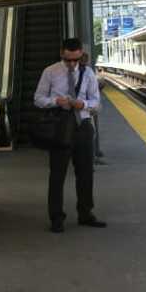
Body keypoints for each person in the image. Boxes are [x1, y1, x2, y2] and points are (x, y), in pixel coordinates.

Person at [34, 38, 107, 233]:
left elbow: (96, 103)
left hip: (82, 126)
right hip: (60, 127)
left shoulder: (88, 73)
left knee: (85, 174)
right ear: (62, 54)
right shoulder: (50, 72)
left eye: (76, 60)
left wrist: (82, 105)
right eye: (68, 60)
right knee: (57, 175)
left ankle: (86, 213)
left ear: (81, 55)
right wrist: (56, 101)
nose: (73, 64)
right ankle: (56, 218)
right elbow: (38, 99)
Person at [80, 52, 105, 163]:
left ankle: (91, 157)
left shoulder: (88, 72)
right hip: (86, 110)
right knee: (90, 134)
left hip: (87, 109)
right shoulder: (87, 72)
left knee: (89, 134)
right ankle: (91, 157)